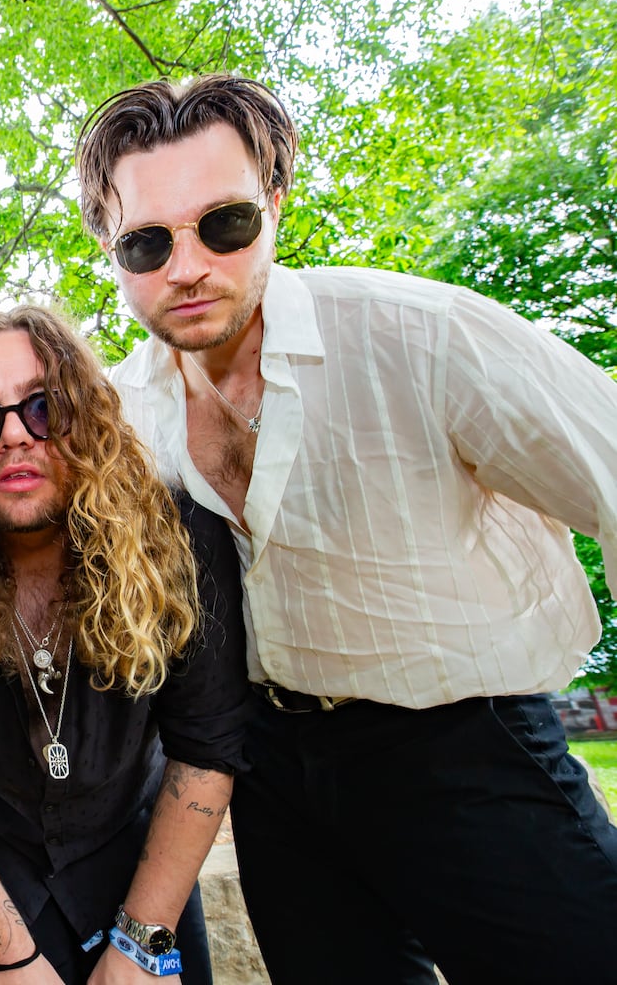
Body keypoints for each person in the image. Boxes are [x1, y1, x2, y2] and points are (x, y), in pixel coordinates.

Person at [76, 72, 617, 983]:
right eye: (145, 242)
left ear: (276, 200)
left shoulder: (426, 337)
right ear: (109, 246)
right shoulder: (124, 413)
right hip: (276, 773)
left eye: (226, 223)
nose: (188, 265)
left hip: (464, 752)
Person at [0, 305, 249, 985]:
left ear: (88, 418)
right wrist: (5, 949)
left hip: (145, 859)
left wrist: (141, 941)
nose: (13, 436)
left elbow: (207, 745)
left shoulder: (180, 538)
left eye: (44, 407)